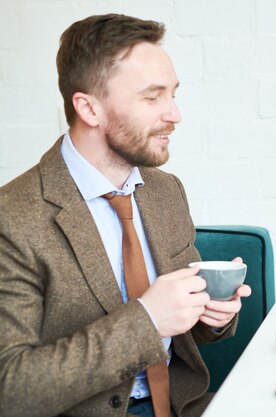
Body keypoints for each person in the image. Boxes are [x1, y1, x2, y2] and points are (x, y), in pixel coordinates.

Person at [0, 14, 251, 417]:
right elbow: (10, 388)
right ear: (89, 108)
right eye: (152, 98)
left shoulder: (166, 191)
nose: (175, 114)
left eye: (173, 94)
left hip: (183, 405)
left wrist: (212, 314)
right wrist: (147, 320)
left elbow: (187, 327)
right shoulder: (12, 218)